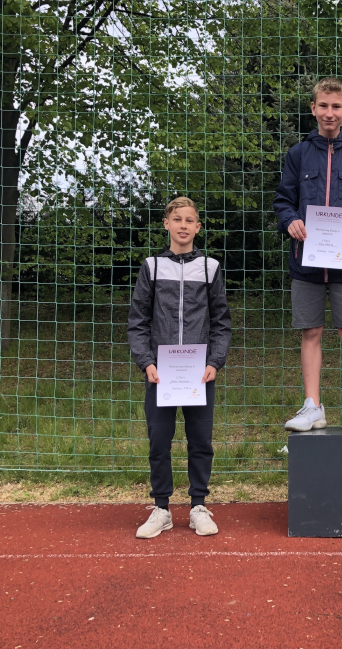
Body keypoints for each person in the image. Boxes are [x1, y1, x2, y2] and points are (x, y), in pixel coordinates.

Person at [273, 77, 342, 433]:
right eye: (323, 105)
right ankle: (312, 407)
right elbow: (283, 201)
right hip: (305, 262)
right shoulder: (298, 154)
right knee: (311, 332)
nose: (329, 112)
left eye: (336, 106)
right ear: (313, 108)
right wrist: (290, 220)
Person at [128, 197, 232, 539]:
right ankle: (161, 508)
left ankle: (198, 505)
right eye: (177, 219)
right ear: (166, 224)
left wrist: (214, 361)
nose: (183, 225)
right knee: (159, 441)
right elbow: (138, 322)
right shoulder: (152, 266)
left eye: (189, 220)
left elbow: (221, 322)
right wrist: (146, 362)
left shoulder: (210, 267)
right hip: (161, 374)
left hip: (200, 374)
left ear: (198, 227)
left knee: (200, 441)